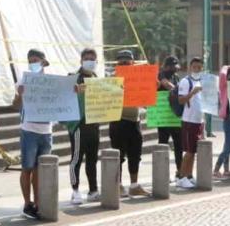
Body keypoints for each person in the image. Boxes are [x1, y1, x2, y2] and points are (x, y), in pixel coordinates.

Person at [15, 49, 53, 219]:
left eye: (36, 60)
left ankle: (38, 202)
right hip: (29, 129)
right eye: (30, 60)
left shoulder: (52, 80)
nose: (33, 63)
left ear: (43, 61)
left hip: (46, 131)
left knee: (39, 170)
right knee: (27, 168)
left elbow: (63, 96)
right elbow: (15, 105)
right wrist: (20, 95)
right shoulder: (24, 80)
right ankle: (26, 202)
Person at [109, 50, 149, 197]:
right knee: (118, 155)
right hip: (118, 121)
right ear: (117, 63)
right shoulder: (112, 78)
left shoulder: (139, 77)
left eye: (127, 60)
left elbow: (146, 101)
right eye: (122, 60)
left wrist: (151, 86)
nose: (125, 62)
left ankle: (134, 185)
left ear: (133, 62)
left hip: (135, 121)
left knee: (135, 154)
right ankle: (118, 185)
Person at [68, 48, 101, 205]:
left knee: (92, 159)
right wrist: (74, 90)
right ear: (81, 61)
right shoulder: (73, 78)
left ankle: (93, 190)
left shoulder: (97, 78)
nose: (90, 61)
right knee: (76, 158)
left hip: (94, 124)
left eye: (92, 59)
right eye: (87, 58)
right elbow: (65, 94)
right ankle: (75, 190)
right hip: (78, 125)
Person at [176, 57, 205, 189]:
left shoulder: (203, 81)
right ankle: (181, 177)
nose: (197, 69)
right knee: (188, 151)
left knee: (193, 150)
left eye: (199, 67)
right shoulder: (185, 81)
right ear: (190, 67)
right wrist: (192, 93)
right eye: (194, 67)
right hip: (189, 120)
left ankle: (189, 175)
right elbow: (181, 100)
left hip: (199, 120)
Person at [157, 56, 183, 179]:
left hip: (175, 117)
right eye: (171, 66)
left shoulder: (176, 77)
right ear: (166, 66)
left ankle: (180, 171)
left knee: (179, 146)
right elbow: (166, 85)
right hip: (162, 118)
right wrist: (179, 90)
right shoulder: (160, 75)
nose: (173, 68)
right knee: (163, 145)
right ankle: (162, 174)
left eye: (175, 66)